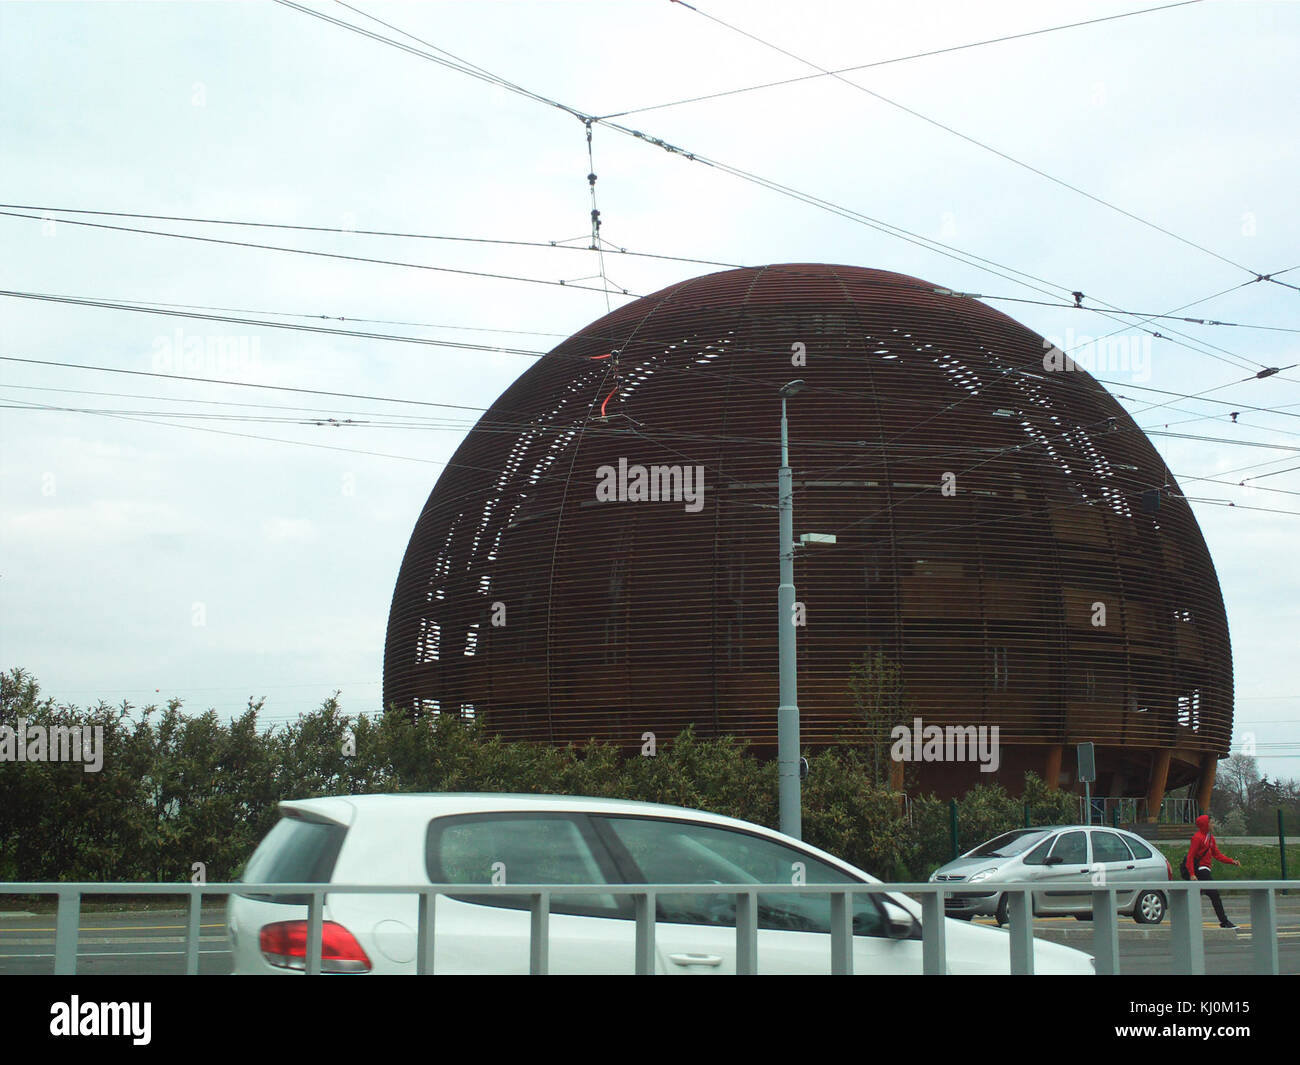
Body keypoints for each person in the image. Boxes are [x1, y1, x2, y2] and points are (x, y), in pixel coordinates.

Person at [1184, 813, 1242, 928]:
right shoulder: (1197, 838)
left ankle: (1187, 921)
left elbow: (1217, 855)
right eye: (1211, 822)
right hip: (1201, 870)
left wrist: (1232, 861)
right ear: (1205, 824)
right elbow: (1190, 856)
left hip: (1205, 871)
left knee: (1195, 897)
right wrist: (1192, 874)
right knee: (1214, 895)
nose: (1213, 825)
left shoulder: (1210, 838)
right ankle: (1224, 922)